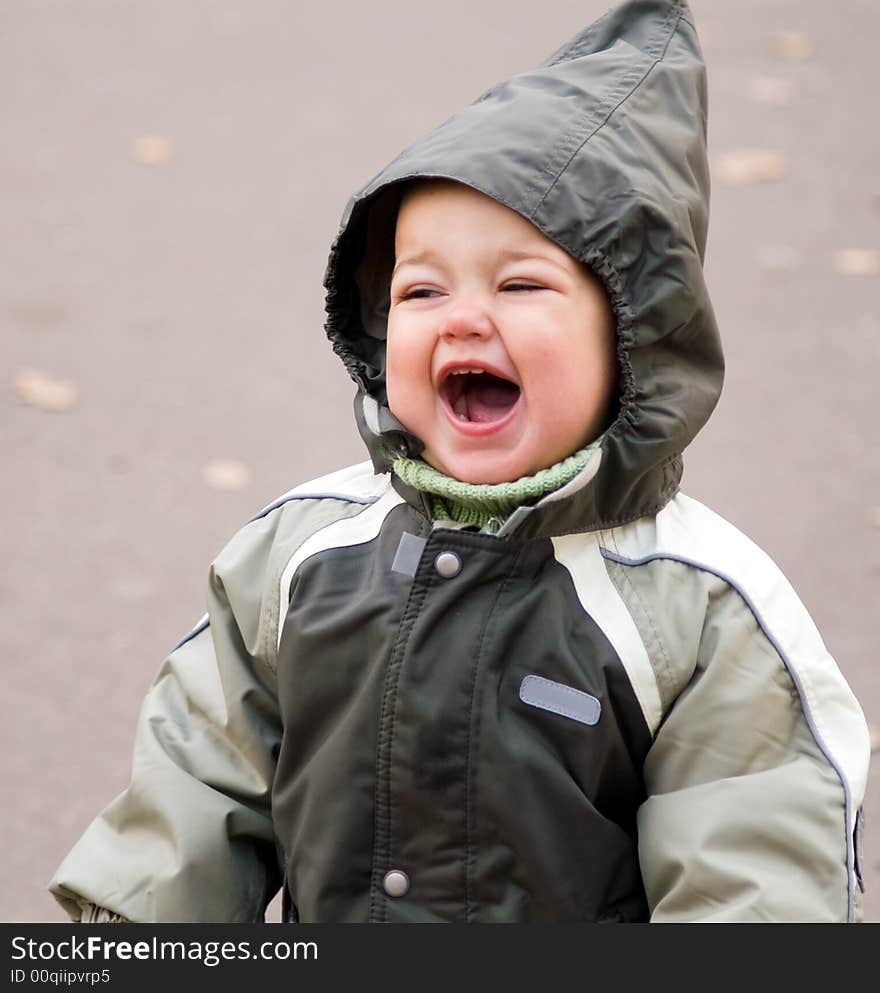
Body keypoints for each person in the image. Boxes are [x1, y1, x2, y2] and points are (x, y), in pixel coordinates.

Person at [50, 0, 870, 923]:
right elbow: (188, 801)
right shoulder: (297, 557)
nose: (462, 318)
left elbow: (754, 891)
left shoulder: (700, 616)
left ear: (633, 331)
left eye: (521, 284)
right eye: (421, 288)